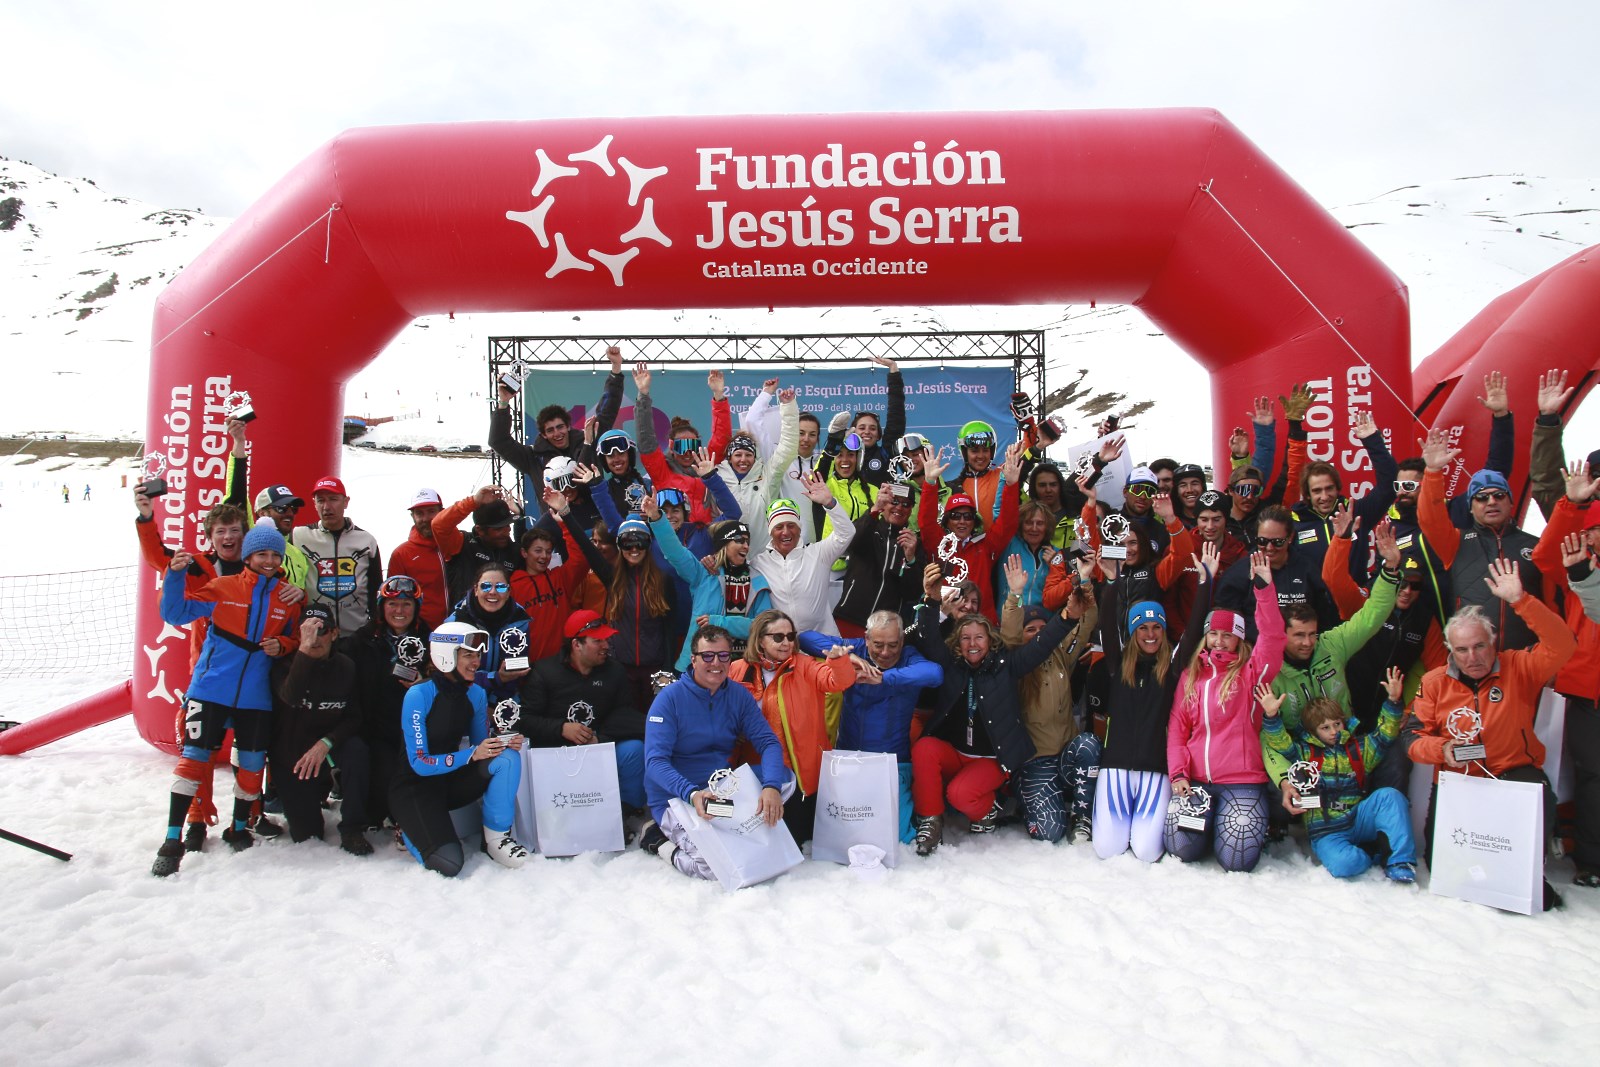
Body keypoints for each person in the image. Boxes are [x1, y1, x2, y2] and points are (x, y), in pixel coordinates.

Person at [1403, 558, 1577, 909]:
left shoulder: (1520, 666)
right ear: (1451, 651)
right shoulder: (1435, 682)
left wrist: (1521, 601)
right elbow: (1411, 738)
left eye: (1480, 646)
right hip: (1460, 782)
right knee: (1441, 868)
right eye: (1463, 650)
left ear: (1492, 642)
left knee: (1535, 796)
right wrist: (1442, 749)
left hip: (1513, 774)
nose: (1473, 656)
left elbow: (1563, 645)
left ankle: (1524, 875)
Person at [906, 564, 1090, 855]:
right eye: (966, 638)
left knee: (960, 795)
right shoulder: (952, 664)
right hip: (956, 753)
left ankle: (987, 810)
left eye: (979, 637)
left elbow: (1041, 645)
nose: (972, 644)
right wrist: (929, 600)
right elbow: (927, 636)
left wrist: (1068, 617)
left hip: (991, 759)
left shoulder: (1006, 666)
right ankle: (930, 820)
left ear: (990, 641)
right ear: (958, 643)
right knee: (924, 748)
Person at [151, 524, 301, 877]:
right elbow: (174, 614)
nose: (268, 560)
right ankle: (172, 841)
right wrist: (173, 576)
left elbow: (295, 639)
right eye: (261, 554)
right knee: (193, 761)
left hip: (256, 696)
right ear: (248, 556)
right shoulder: (222, 586)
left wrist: (284, 645)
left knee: (251, 767)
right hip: (210, 689)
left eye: (275, 555)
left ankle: (238, 827)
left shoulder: (288, 597)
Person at [1163, 549, 1286, 873]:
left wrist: (1264, 591)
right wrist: (1178, 773)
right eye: (1213, 634)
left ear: (1239, 638)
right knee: (1180, 849)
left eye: (1227, 635)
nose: (1218, 641)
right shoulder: (1192, 675)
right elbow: (1177, 728)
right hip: (1197, 782)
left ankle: (1236, 823)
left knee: (1237, 859)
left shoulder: (1251, 671)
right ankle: (1209, 823)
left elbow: (1274, 638)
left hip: (1241, 781)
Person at [639, 624, 791, 879]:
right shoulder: (669, 699)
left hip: (719, 793)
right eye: (707, 656)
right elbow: (654, 762)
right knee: (716, 869)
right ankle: (657, 839)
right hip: (679, 797)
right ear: (693, 659)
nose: (716, 663)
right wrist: (691, 793)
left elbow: (769, 743)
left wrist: (772, 787)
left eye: (723, 655)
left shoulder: (737, 695)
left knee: (786, 778)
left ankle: (734, 827)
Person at [390, 621, 529, 876]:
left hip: (449, 781)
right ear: (446, 656)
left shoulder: (475, 694)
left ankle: (495, 840)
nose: (476, 662)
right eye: (468, 655)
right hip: (415, 789)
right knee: (450, 865)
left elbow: (479, 748)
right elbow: (419, 763)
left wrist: (501, 741)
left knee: (506, 758)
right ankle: (408, 827)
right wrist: (472, 754)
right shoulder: (418, 695)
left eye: (477, 655)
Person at [1093, 563, 1210, 864]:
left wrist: (1205, 581)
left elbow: (1195, 629)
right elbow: (1106, 622)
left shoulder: (1172, 669)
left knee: (1147, 851)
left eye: (1156, 626)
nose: (1150, 634)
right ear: (1132, 632)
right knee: (1107, 849)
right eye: (1142, 628)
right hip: (1116, 768)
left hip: (1155, 771)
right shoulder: (1117, 665)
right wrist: (1112, 582)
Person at [797, 609, 943, 845]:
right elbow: (805, 638)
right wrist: (847, 658)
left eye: (893, 645)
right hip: (849, 760)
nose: (885, 652)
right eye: (878, 644)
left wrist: (885, 678)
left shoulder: (909, 657)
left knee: (898, 838)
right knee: (841, 834)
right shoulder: (856, 648)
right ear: (866, 638)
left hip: (893, 763)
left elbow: (935, 673)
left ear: (902, 641)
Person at [1259, 675, 1417, 882]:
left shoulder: (1358, 748)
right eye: (1325, 728)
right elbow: (1280, 743)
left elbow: (1385, 734)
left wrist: (1393, 701)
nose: (1333, 732)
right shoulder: (1304, 752)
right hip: (1327, 828)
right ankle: (1371, 852)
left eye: (1337, 724)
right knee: (1345, 864)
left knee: (1389, 796)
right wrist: (1272, 716)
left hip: (1358, 816)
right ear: (1312, 732)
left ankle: (1400, 861)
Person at [728, 609, 858, 843]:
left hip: (797, 774)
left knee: (792, 840)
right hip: (751, 771)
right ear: (760, 639)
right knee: (752, 839)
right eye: (778, 637)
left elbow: (838, 681)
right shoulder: (736, 669)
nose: (786, 642)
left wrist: (839, 662)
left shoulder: (805, 665)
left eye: (790, 636)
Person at [1531, 461, 1600, 887]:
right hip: (1587, 691)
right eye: (1590, 529)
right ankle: (1591, 861)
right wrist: (1572, 506)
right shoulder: (1578, 567)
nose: (1592, 535)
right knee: (1593, 778)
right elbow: (1543, 556)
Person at [999, 556, 1100, 844]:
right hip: (1035, 761)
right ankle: (1028, 801)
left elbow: (1086, 620)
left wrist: (1085, 582)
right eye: (1030, 629)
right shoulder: (1013, 664)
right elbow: (1008, 633)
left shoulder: (1060, 656)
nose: (1038, 633)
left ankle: (1082, 815)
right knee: (1050, 833)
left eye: (1043, 628)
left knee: (1089, 744)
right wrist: (1015, 595)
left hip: (1066, 755)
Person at [1417, 427, 1543, 650]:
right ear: (1471, 509)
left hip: (1527, 663)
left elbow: (1553, 605)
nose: (1491, 502)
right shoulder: (1455, 542)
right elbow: (1430, 519)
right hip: (1474, 663)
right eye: (1482, 498)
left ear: (1510, 502)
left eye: (1499, 495)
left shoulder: (1535, 545)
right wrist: (1433, 471)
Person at [518, 609, 648, 821]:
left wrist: (599, 739)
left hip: (598, 747)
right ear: (576, 644)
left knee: (634, 749)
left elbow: (624, 715)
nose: (606, 646)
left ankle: (627, 812)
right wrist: (561, 728)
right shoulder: (544, 671)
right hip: (556, 752)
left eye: (606, 640)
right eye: (598, 641)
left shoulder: (615, 671)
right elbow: (525, 719)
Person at [269, 604, 372, 855]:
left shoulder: (346, 667)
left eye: (321, 630)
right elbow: (290, 697)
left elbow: (354, 717)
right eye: (308, 631)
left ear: (335, 633)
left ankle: (352, 827)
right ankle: (310, 794)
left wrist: (327, 742)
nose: (315, 637)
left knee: (358, 751)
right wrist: (304, 650)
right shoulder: (284, 666)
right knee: (307, 834)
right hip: (293, 753)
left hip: (328, 746)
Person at [337, 575, 430, 833]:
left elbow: (450, 680)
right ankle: (357, 824)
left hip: (414, 729)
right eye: (392, 604)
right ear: (381, 606)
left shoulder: (431, 640)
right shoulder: (362, 640)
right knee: (374, 765)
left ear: (417, 607)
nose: (399, 611)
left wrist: (426, 683)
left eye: (407, 604)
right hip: (373, 728)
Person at [490, 344, 623, 520]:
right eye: (550, 430)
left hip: (595, 525)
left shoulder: (588, 440)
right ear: (543, 435)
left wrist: (616, 369)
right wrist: (504, 403)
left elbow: (607, 411)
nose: (557, 433)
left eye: (560, 427)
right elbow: (499, 442)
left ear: (568, 426)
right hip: (556, 527)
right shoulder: (533, 458)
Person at [564, 512, 675, 709]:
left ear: (648, 545)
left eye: (639, 542)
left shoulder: (663, 580)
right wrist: (566, 512)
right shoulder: (612, 577)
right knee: (627, 722)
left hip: (655, 668)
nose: (634, 549)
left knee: (654, 723)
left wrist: (667, 669)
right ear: (619, 546)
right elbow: (587, 548)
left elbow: (669, 629)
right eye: (627, 543)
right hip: (621, 667)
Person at [652, 492, 768, 670]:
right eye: (738, 540)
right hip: (695, 668)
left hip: (741, 669)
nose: (745, 545)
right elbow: (675, 552)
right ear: (723, 545)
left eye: (747, 541)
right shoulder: (704, 574)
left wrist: (719, 622)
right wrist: (657, 518)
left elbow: (762, 627)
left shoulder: (758, 582)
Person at [918, 443, 1022, 623]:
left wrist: (1011, 485)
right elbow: (926, 521)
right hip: (947, 620)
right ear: (947, 521)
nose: (962, 521)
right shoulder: (939, 544)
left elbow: (1008, 523)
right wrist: (930, 482)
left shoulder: (986, 544)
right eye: (956, 516)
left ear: (975, 521)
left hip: (982, 621)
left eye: (967, 516)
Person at [750, 477, 857, 637]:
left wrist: (830, 503)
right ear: (770, 532)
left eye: (791, 525)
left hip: (824, 643)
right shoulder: (758, 563)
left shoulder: (818, 553)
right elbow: (732, 567)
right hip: (784, 646)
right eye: (779, 527)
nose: (786, 532)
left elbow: (847, 533)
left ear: (800, 529)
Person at [1214, 504, 1340, 639]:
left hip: (1301, 651)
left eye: (1277, 542)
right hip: (1256, 652)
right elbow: (1225, 624)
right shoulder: (1238, 574)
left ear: (1290, 537)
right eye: (1262, 541)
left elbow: (1326, 618)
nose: (1269, 547)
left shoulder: (1308, 569)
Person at [632, 362, 733, 525]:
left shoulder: (705, 466)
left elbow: (722, 438)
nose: (687, 453)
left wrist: (719, 395)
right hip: (675, 536)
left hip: (703, 539)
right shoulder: (662, 471)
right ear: (671, 447)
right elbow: (646, 439)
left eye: (692, 447)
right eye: (681, 447)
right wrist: (643, 394)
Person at [509, 487, 593, 662]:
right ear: (524, 553)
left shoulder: (559, 578)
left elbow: (581, 560)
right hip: (529, 667)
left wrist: (564, 524)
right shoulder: (512, 586)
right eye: (538, 551)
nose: (544, 557)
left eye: (548, 552)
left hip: (562, 665)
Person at [715, 384, 799, 556]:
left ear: (755, 457)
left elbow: (788, 448)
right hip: (725, 560)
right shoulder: (716, 477)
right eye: (738, 455)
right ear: (730, 457)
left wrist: (788, 408)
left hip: (762, 559)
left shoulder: (767, 476)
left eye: (748, 455)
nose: (743, 460)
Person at [833, 481, 926, 637]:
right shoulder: (869, 524)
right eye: (894, 501)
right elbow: (851, 543)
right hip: (850, 618)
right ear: (884, 503)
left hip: (885, 629)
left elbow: (913, 593)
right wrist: (875, 509)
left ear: (911, 510)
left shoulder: (913, 543)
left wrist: (910, 559)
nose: (899, 507)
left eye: (906, 504)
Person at [292, 475, 383, 633]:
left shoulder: (366, 541)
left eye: (333, 499)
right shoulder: (298, 536)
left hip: (357, 635)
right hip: (315, 635)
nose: (327, 507)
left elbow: (376, 587)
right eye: (320, 500)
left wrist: (373, 625)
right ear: (314, 504)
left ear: (346, 502)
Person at [1157, 489, 1248, 636]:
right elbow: (1169, 599)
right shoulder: (1180, 550)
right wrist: (1183, 636)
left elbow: (1244, 603)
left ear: (1226, 519)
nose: (1210, 526)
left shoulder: (1239, 554)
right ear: (1196, 519)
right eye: (1204, 519)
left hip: (1225, 640)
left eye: (1216, 519)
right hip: (1186, 636)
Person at [444, 562, 532, 706]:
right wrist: (495, 678)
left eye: (501, 587)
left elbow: (515, 670)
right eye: (485, 586)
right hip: (461, 699)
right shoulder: (455, 624)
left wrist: (494, 705)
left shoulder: (520, 622)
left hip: (503, 701)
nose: (493, 592)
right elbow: (451, 674)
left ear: (509, 592)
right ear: (476, 590)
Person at [431, 485, 524, 610]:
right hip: (466, 624)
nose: (506, 531)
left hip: (503, 625)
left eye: (508, 526)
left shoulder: (514, 551)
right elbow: (438, 525)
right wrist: (473, 501)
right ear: (480, 530)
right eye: (498, 528)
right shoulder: (462, 544)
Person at [387, 488, 448, 630]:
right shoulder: (401, 554)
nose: (426, 518)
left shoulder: (458, 544)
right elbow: (392, 601)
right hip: (420, 635)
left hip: (460, 630)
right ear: (412, 516)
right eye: (419, 513)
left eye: (431, 511)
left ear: (442, 512)